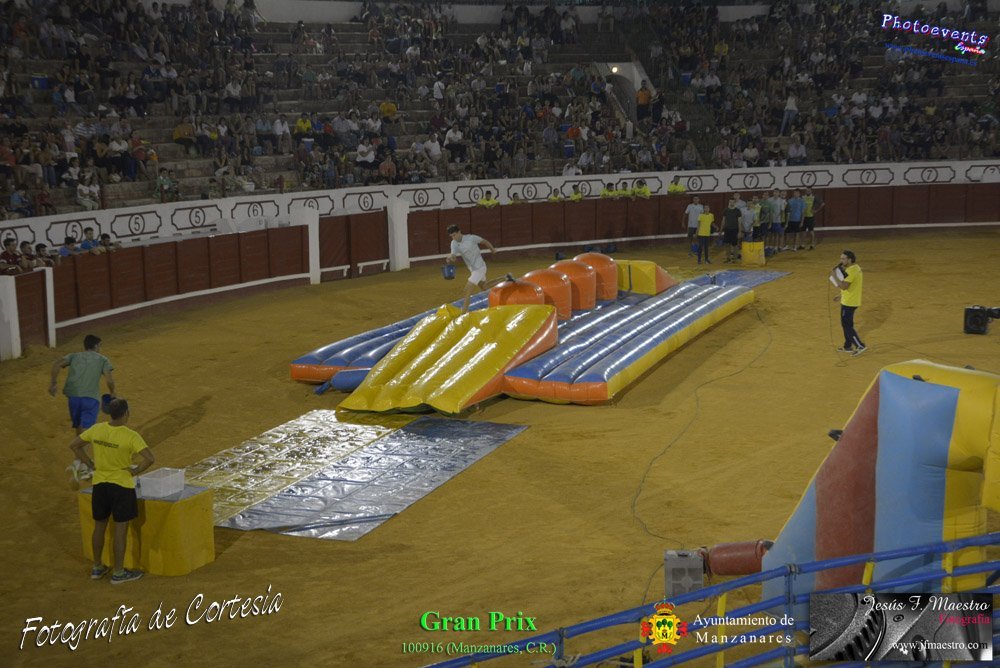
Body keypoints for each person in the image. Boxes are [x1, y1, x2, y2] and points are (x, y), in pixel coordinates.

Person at [69, 398, 154, 584]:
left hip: (100, 485)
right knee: (120, 530)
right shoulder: (131, 436)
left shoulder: (97, 429)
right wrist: (135, 471)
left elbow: (74, 445)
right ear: (126, 413)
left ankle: (97, 567)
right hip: (122, 487)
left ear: (110, 413)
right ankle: (118, 573)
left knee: (99, 526)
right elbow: (149, 458)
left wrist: (89, 463)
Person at [50, 334, 116, 437]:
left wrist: (53, 384)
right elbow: (109, 381)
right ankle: (82, 446)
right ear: (95, 346)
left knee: (79, 427)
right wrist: (112, 392)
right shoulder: (103, 359)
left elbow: (56, 364)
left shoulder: (73, 356)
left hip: (73, 397)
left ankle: (78, 446)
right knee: (87, 431)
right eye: (100, 345)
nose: (100, 348)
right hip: (91, 398)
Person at [446, 224, 506, 314]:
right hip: (472, 270)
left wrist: (492, 250)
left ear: (459, 232)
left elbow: (485, 241)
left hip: (480, 267)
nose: (453, 238)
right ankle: (505, 278)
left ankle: (463, 314)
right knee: (485, 287)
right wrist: (450, 258)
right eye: (451, 236)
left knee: (467, 290)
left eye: (454, 235)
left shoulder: (471, 238)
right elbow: (454, 256)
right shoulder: (454, 243)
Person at [831, 250, 865, 356]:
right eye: (841, 258)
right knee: (847, 324)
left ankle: (860, 345)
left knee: (847, 326)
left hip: (849, 303)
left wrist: (834, 276)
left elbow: (844, 286)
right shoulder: (856, 268)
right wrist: (841, 295)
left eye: (843, 259)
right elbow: (853, 286)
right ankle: (847, 346)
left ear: (849, 260)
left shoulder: (851, 271)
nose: (841, 261)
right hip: (851, 300)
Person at [721, 198, 742, 263]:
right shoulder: (725, 210)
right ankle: (728, 258)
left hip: (735, 230)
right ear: (729, 202)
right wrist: (721, 230)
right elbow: (723, 220)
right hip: (727, 230)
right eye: (730, 202)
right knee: (727, 244)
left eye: (733, 202)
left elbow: (739, 222)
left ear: (735, 203)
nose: (731, 203)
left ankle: (735, 259)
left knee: (735, 245)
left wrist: (739, 231)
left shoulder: (737, 211)